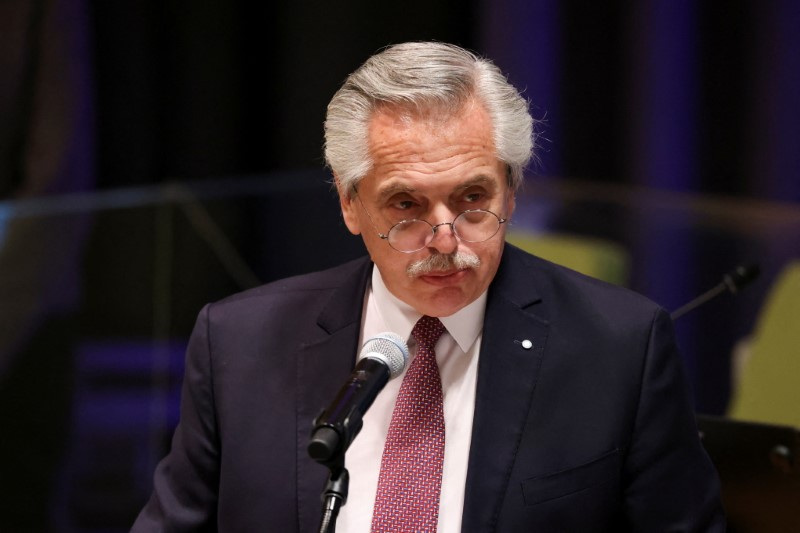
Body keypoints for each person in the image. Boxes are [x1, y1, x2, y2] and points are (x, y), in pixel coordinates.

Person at [133, 41, 725, 531]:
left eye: (473, 199)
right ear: (349, 203)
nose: (445, 240)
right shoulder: (239, 341)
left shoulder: (618, 348)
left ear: (511, 190)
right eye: (406, 204)